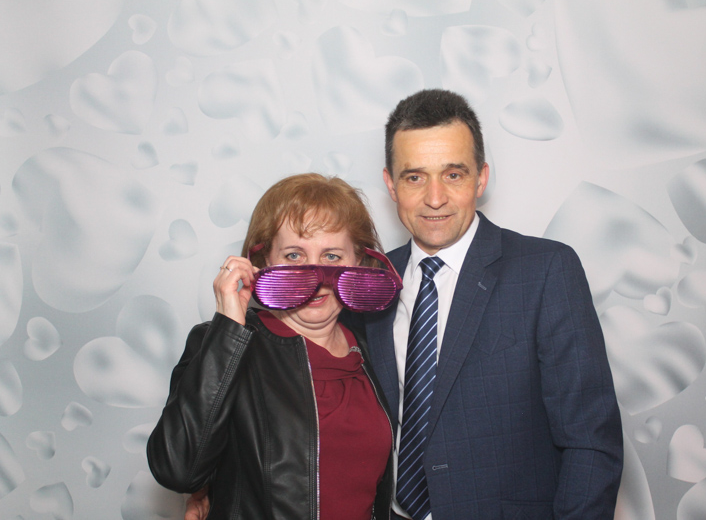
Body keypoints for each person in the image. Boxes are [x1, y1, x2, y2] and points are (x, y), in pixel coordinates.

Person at [363, 89, 624, 520]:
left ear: (481, 179)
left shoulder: (545, 271)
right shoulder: (370, 283)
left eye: (453, 175)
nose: (434, 197)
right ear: (391, 184)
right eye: (414, 177)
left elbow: (591, 442)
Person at [147, 173, 397, 520]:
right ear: (263, 263)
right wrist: (228, 329)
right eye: (294, 255)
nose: (315, 277)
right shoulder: (225, 344)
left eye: (332, 256)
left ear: (359, 262)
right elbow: (178, 469)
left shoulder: (371, 350)